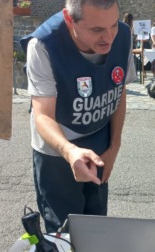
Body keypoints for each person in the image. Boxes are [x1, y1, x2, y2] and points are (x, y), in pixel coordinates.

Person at [19, 0, 136, 233]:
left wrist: (114, 147)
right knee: (63, 233)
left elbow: (118, 93)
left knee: (95, 228)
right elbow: (42, 116)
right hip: (57, 149)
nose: (109, 37)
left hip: (100, 140)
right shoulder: (43, 45)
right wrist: (70, 152)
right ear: (69, 18)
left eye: (113, 25)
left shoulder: (122, 34)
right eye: (96, 30)